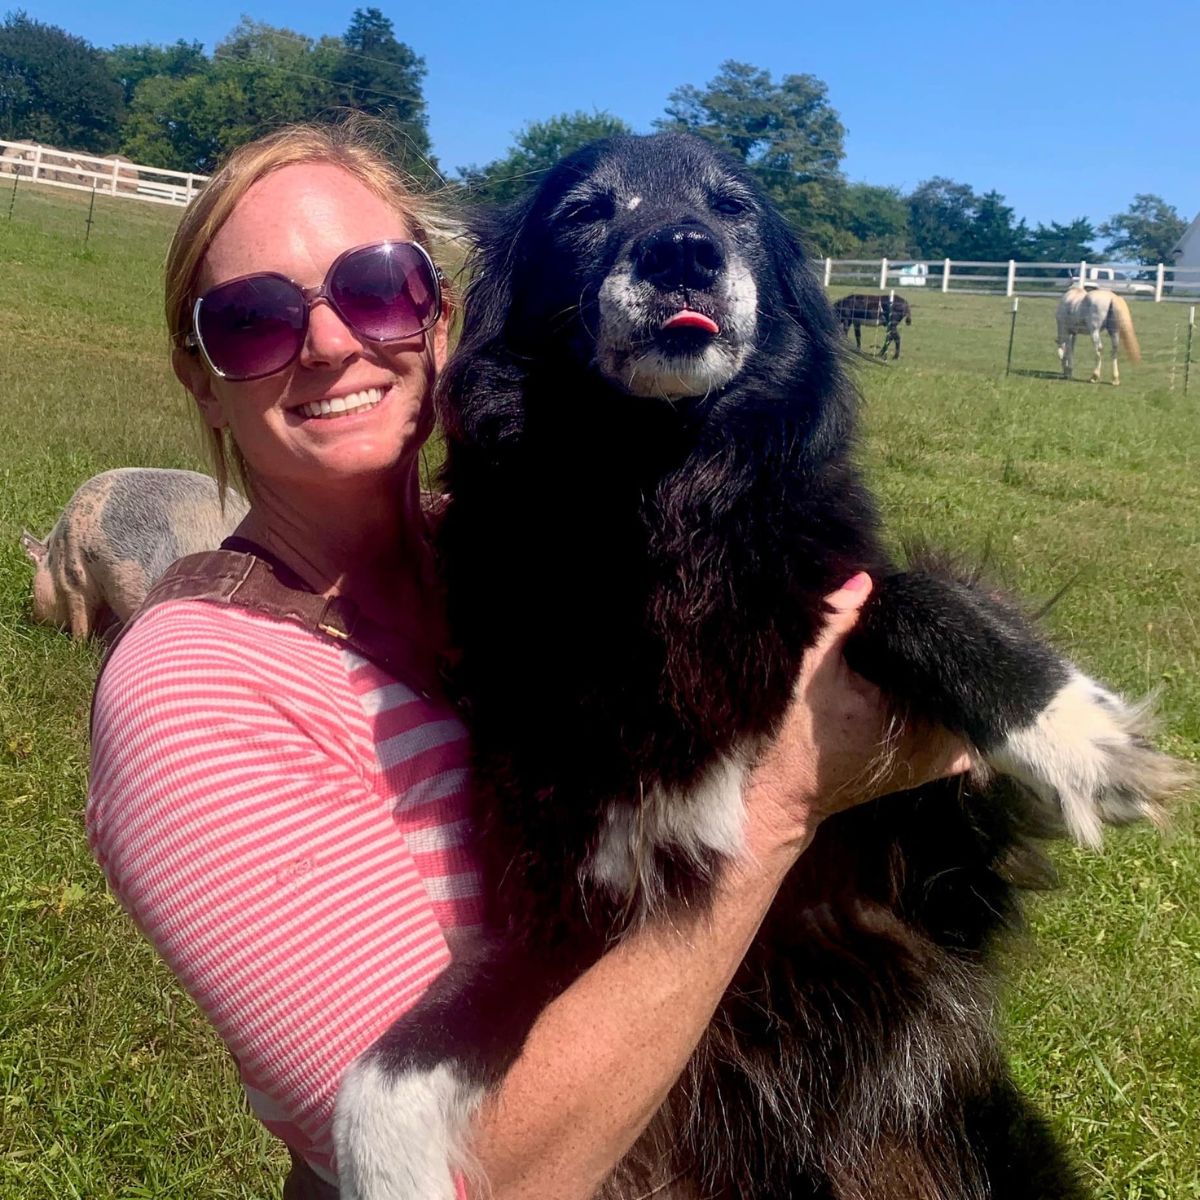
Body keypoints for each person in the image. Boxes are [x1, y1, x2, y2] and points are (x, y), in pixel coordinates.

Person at [86, 120, 971, 1200]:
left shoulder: (538, 563)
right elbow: (479, 1182)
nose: (328, 344)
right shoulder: (192, 697)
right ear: (199, 371)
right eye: (252, 318)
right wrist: (786, 796)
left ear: (443, 318)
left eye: (377, 289)